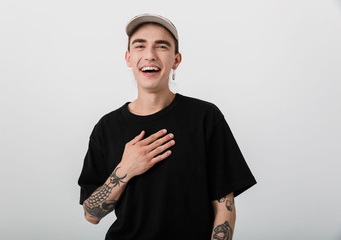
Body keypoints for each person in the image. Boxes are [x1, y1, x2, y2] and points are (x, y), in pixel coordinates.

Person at [78, 13, 257, 240]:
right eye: (140, 46)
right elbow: (91, 214)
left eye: (161, 46)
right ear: (128, 58)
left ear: (176, 59)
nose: (150, 55)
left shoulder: (205, 117)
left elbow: (224, 207)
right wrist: (125, 169)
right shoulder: (107, 127)